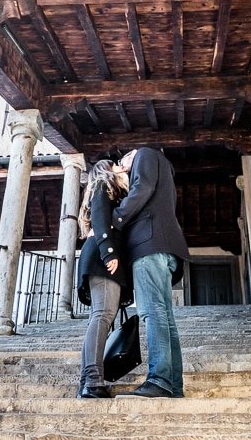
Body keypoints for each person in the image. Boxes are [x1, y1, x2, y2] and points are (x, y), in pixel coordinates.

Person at [111, 147, 189, 398]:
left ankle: (160, 379)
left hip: (148, 246)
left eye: (121, 161)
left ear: (132, 153)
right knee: (165, 317)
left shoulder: (144, 155)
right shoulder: (162, 167)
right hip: (163, 247)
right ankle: (173, 384)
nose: (122, 166)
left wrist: (115, 218)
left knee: (151, 311)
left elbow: (141, 188)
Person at [75, 159, 131, 399]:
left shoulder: (110, 189)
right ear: (105, 170)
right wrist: (109, 252)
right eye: (114, 164)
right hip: (102, 257)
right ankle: (93, 382)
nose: (120, 165)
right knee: (103, 316)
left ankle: (86, 382)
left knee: (99, 317)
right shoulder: (102, 185)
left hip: (100, 256)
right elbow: (99, 218)